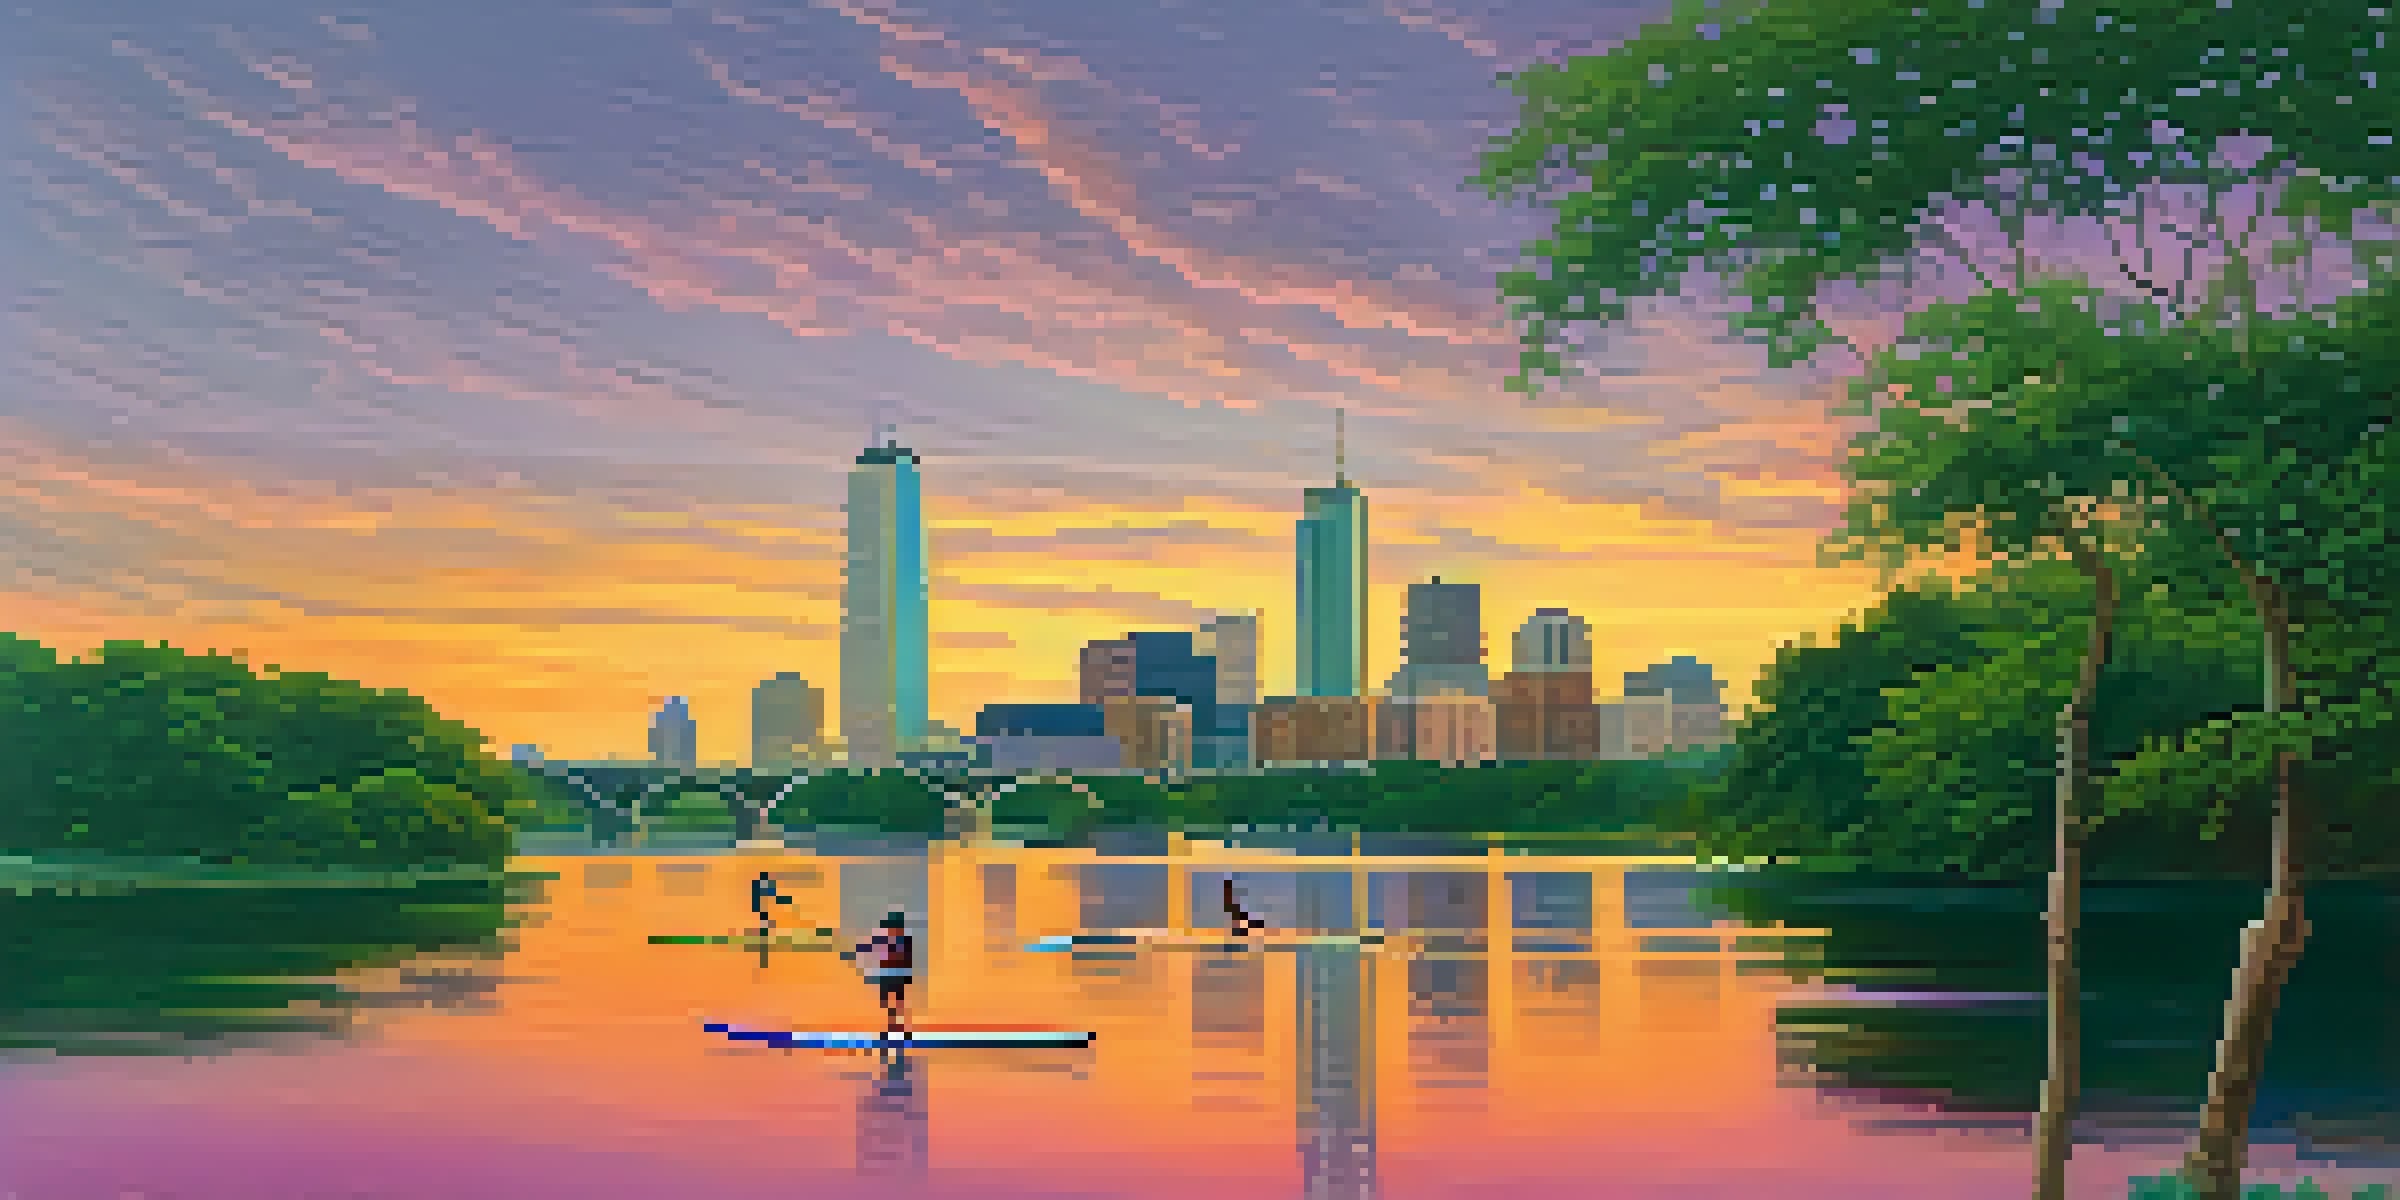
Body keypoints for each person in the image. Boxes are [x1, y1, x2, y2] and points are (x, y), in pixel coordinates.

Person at [850, 911, 915, 1035]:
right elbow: (870, 948)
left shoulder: (901, 939)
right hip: (889, 975)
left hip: (895, 975)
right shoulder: (887, 938)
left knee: (896, 1004)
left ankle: (899, 1029)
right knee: (890, 1004)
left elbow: (906, 959)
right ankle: (894, 1029)